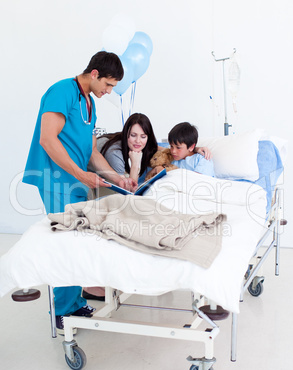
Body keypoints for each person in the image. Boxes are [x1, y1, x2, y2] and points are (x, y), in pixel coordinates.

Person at [22, 51, 136, 335]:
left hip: (74, 182)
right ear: (94, 73)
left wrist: (117, 177)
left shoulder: (89, 103)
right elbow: (47, 139)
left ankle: (73, 303)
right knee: (66, 244)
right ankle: (62, 311)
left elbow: (91, 153)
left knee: (77, 242)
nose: (108, 91)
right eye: (108, 85)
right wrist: (80, 174)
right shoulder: (62, 91)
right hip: (55, 180)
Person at [82, 116, 211, 302]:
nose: (138, 141)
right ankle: (91, 285)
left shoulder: (147, 146)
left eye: (143, 136)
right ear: (126, 134)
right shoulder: (115, 153)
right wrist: (135, 163)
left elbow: (170, 151)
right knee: (119, 219)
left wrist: (195, 149)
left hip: (124, 187)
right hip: (101, 188)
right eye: (133, 135)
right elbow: (127, 190)